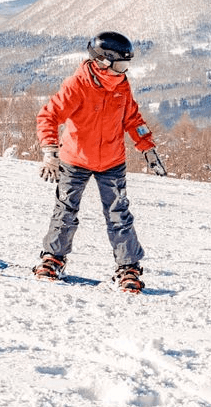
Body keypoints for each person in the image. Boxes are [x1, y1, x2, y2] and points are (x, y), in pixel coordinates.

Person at [34, 31, 167, 293]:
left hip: (111, 161)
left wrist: (148, 149)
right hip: (75, 160)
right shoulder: (78, 85)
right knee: (66, 210)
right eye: (120, 65)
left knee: (119, 215)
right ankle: (53, 258)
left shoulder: (121, 86)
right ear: (103, 61)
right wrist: (50, 151)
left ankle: (128, 267)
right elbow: (48, 116)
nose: (124, 71)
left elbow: (133, 119)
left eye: (127, 65)